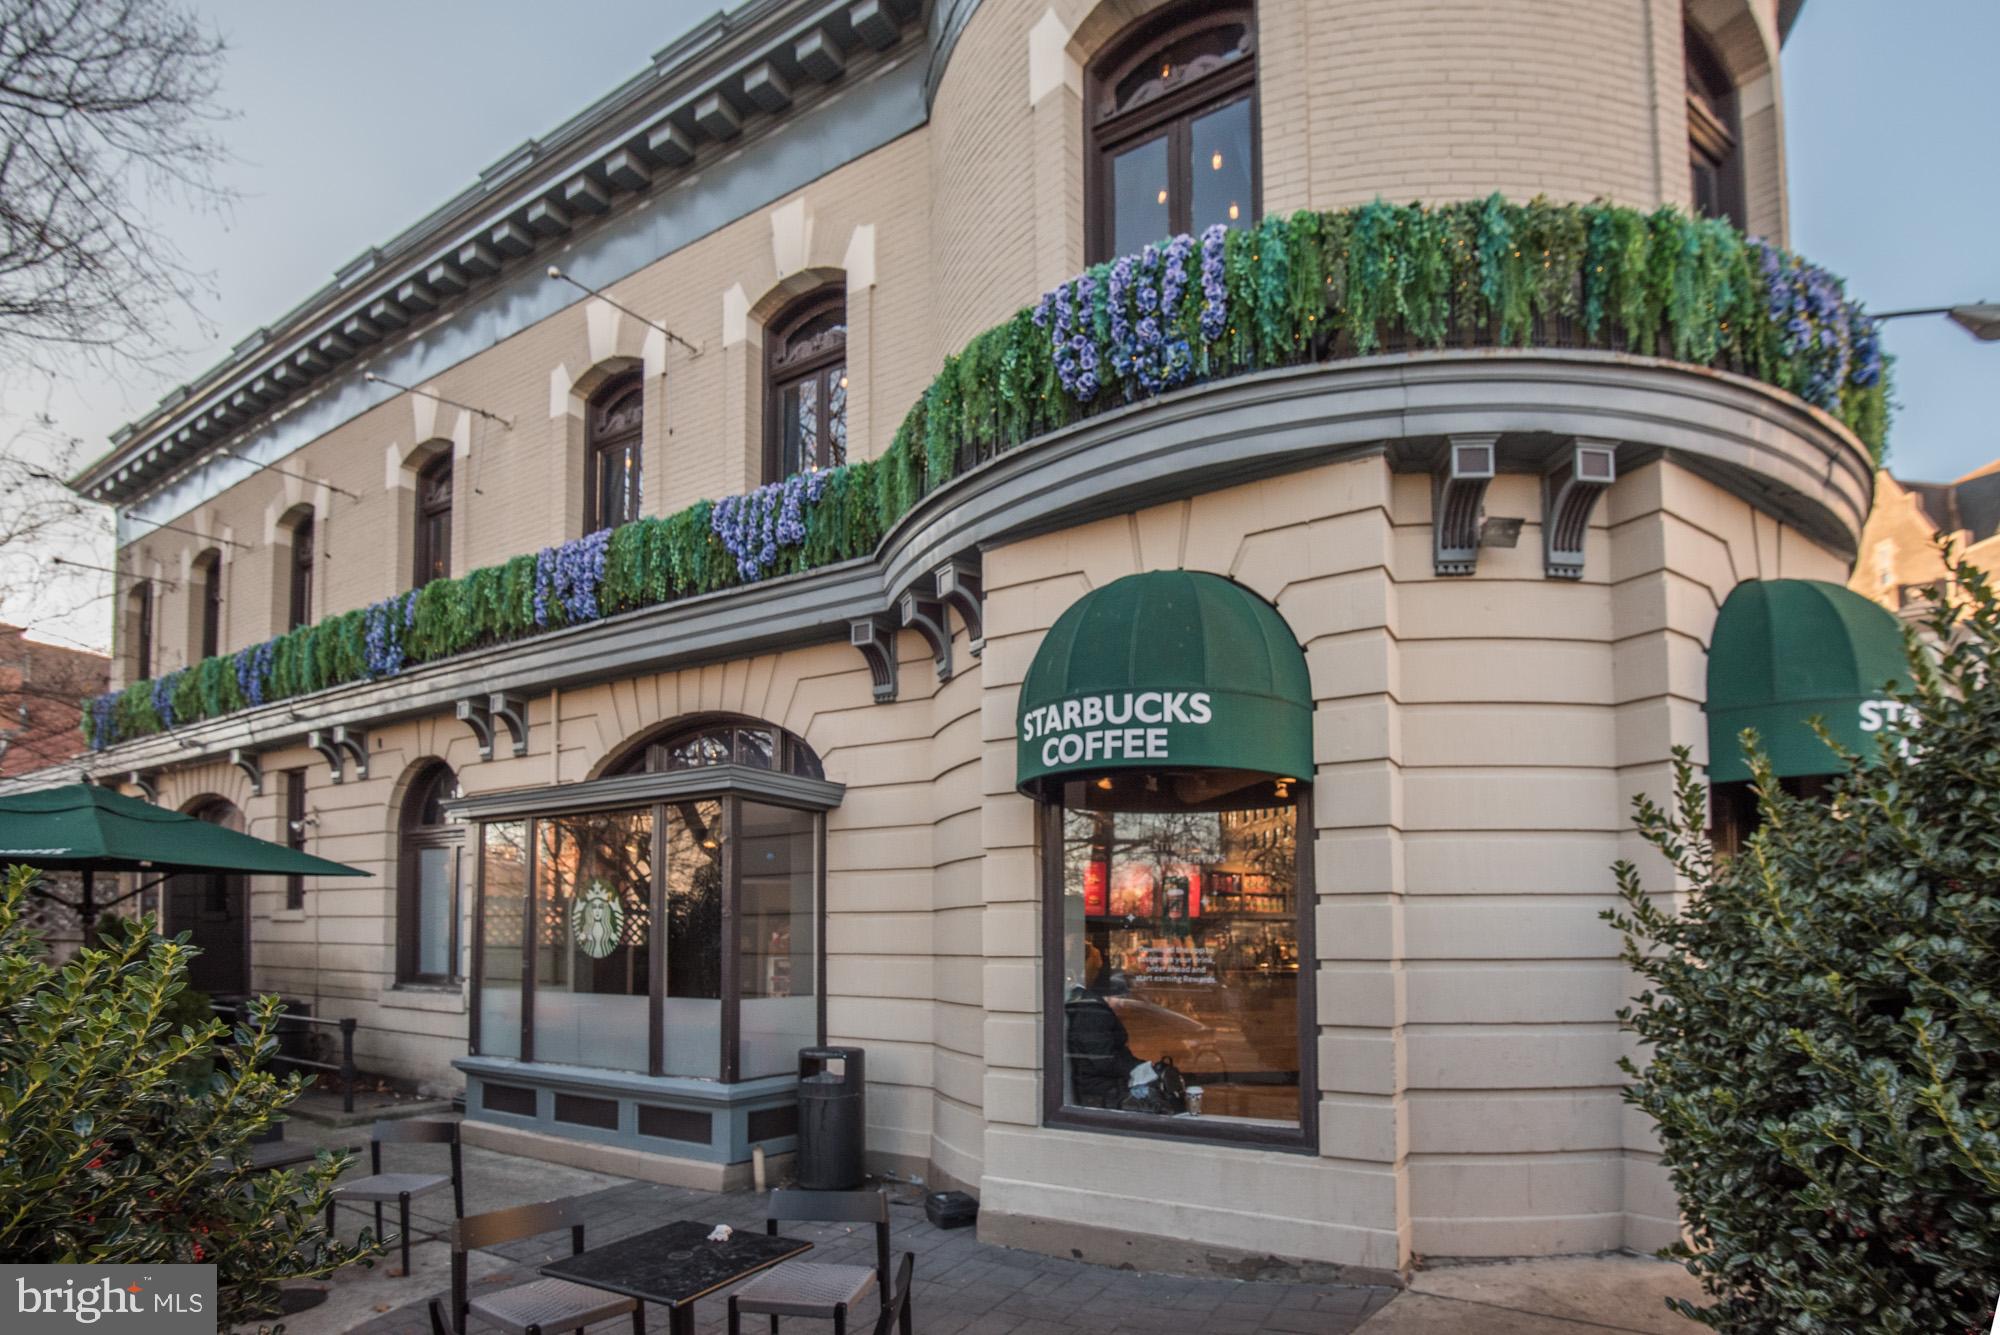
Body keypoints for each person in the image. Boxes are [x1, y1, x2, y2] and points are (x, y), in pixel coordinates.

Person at [1065, 942, 1141, 1108]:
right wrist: (1140, 1069)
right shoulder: (1089, 1006)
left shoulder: (1078, 998)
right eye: (1097, 968)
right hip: (1101, 1093)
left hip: (1092, 1088)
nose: (1099, 972)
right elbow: (1103, 1059)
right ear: (1088, 969)